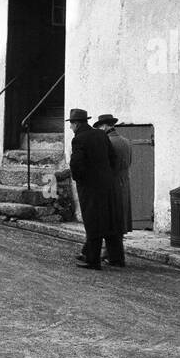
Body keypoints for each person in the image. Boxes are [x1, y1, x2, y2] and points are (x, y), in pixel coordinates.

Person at [67, 108, 122, 270]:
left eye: (71, 124)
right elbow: (113, 158)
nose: (71, 127)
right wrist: (107, 176)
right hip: (107, 185)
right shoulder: (101, 134)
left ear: (76, 124)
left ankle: (93, 260)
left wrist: (80, 179)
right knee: (108, 220)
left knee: (92, 221)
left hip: (90, 187)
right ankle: (115, 258)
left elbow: (76, 164)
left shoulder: (79, 139)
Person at [96, 114, 132, 267]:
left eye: (99, 127)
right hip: (124, 183)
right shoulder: (127, 142)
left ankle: (115, 256)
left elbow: (105, 166)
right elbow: (129, 162)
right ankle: (111, 253)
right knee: (119, 220)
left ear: (104, 126)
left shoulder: (107, 142)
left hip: (111, 184)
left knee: (110, 220)